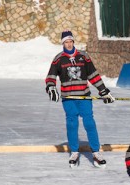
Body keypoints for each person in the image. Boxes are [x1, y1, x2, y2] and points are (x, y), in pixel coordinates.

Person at [44, 30, 115, 168]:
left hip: (84, 96)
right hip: (69, 98)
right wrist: (51, 88)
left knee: (89, 123)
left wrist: (103, 91)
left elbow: (93, 75)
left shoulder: (84, 56)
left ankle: (96, 152)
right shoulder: (58, 59)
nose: (68, 44)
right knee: (72, 124)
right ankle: (74, 151)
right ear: (63, 43)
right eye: (66, 42)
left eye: (70, 41)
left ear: (73, 42)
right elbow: (50, 77)